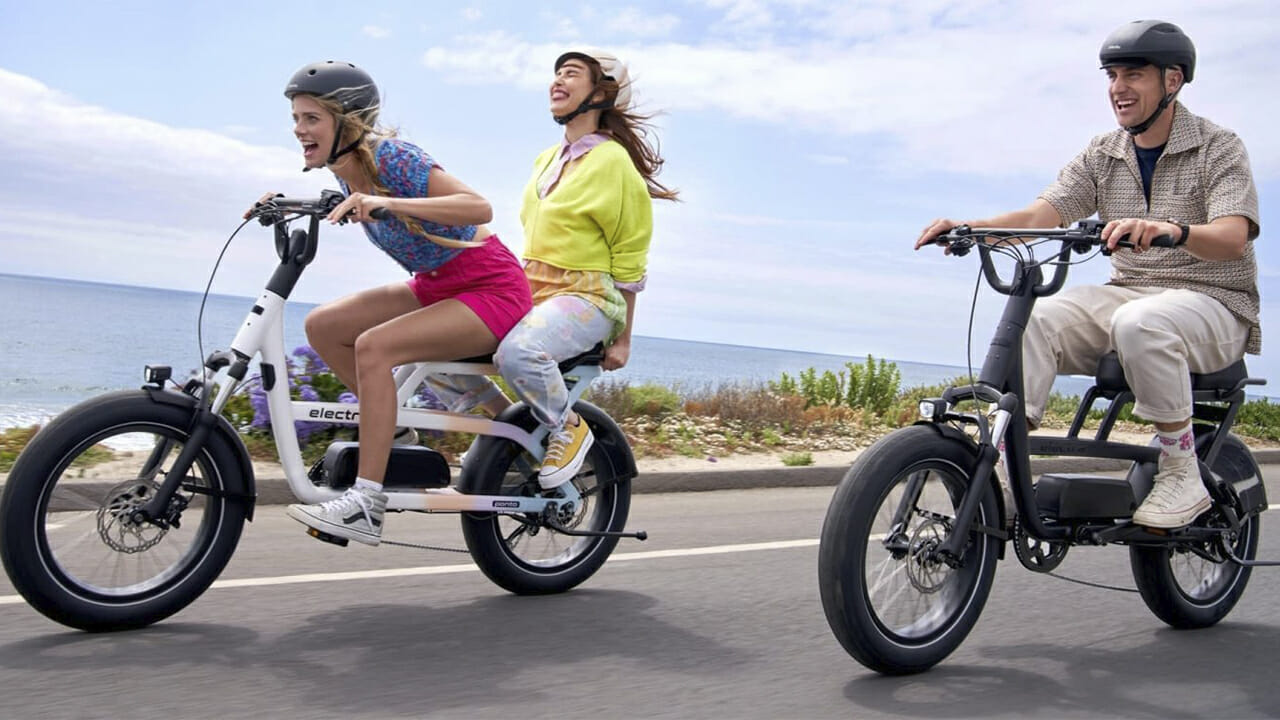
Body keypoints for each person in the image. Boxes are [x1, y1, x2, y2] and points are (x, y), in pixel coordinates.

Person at [914, 20, 1261, 529]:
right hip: (1130, 293)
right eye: (1112, 75)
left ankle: (1182, 470)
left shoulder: (1218, 146)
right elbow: (1040, 217)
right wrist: (971, 227)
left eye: (1134, 75)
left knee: (1141, 323)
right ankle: (1007, 473)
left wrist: (1171, 230)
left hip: (1213, 302)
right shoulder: (1104, 153)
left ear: (1173, 80)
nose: (1118, 88)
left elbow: (1233, 235)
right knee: (1037, 320)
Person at [267, 60, 533, 545]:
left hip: (490, 287)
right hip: (436, 284)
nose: (298, 129)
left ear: (347, 121)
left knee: (374, 347)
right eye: (296, 118)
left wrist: (390, 203)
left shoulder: (393, 158)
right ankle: (394, 436)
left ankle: (367, 502)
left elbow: (479, 207)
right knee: (324, 326)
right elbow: (344, 204)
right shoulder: (347, 173)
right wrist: (279, 204)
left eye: (311, 119)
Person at [430, 47, 677, 491]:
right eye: (556, 73)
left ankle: (567, 429)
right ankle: (512, 434)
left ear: (601, 92)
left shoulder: (614, 162)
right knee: (434, 351)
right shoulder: (545, 159)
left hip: (587, 297)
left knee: (519, 353)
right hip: (529, 290)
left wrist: (623, 338)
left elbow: (631, 253)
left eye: (572, 73)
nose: (557, 81)